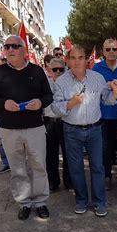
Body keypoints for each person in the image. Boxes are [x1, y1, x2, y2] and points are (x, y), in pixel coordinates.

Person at [0, 35, 53, 220]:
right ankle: (24, 203)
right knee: (17, 168)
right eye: (7, 46)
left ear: (24, 50)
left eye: (15, 46)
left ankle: (40, 202)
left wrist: (40, 102)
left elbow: (48, 96)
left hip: (35, 128)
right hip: (8, 129)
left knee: (39, 166)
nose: (10, 49)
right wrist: (3, 103)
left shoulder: (37, 71)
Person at [52, 46, 117, 217]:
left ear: (87, 60)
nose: (77, 62)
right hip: (71, 131)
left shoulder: (97, 78)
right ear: (67, 60)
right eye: (73, 58)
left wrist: (115, 92)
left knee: (98, 167)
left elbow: (107, 101)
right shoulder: (61, 82)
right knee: (76, 168)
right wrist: (71, 103)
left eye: (81, 57)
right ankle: (81, 200)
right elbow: (55, 107)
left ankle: (99, 202)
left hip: (94, 129)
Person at [93, 39, 117, 190]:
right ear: (103, 52)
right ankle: (106, 176)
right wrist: (106, 86)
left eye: (114, 49)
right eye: (107, 49)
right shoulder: (96, 68)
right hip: (102, 116)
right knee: (105, 149)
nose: (111, 52)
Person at [44, 58, 72, 192]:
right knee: (51, 155)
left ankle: (69, 181)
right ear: (49, 70)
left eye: (61, 69)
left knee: (68, 153)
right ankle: (53, 182)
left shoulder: (69, 85)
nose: (58, 72)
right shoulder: (44, 85)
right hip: (49, 122)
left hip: (65, 122)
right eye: (55, 69)